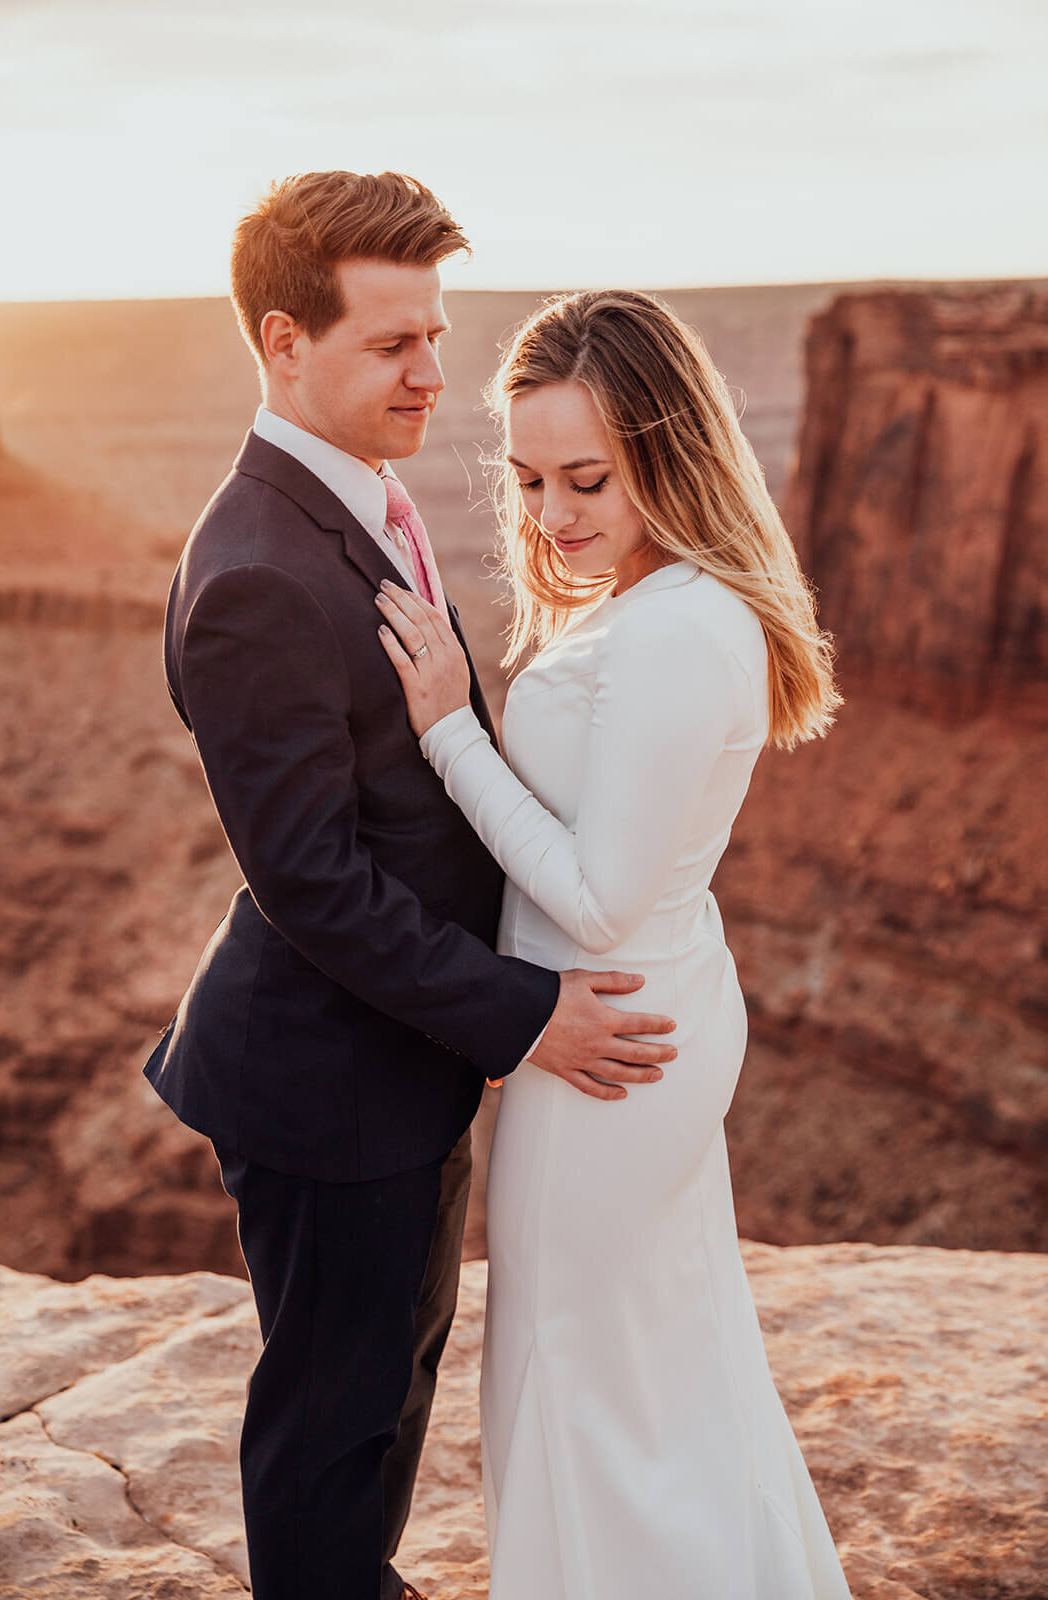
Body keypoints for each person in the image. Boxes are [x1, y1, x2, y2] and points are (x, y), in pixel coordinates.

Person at [142, 177, 679, 1600]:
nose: (433, 375)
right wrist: (526, 1015)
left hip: (395, 1063)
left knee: (386, 1388)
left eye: (435, 336)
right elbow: (315, 885)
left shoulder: (361, 498)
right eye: (393, 345)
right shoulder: (259, 569)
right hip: (328, 1086)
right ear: (284, 342)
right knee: (331, 1424)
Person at [378, 289, 852, 1598]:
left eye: (585, 478)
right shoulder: (652, 602)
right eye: (528, 479)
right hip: (621, 1019)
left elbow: (593, 895)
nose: (550, 517)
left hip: (612, 1043)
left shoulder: (684, 630)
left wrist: (446, 728)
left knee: (584, 1365)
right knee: (644, 1354)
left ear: (671, 448)